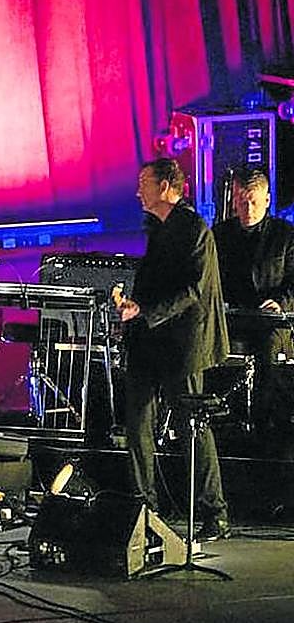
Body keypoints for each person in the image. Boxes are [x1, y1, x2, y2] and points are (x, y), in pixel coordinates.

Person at [117, 158, 231, 540]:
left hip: (183, 343)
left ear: (167, 187)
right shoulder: (157, 228)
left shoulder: (195, 229)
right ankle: (142, 506)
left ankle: (215, 511)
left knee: (191, 427)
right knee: (137, 425)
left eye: (144, 183)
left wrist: (145, 310)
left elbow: (192, 291)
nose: (138, 191)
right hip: (150, 340)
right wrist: (133, 306)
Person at [212, 168, 294, 448]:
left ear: (267, 200)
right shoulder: (220, 235)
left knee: (269, 350)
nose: (247, 208)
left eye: (254, 202)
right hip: (232, 317)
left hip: (271, 322)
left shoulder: (284, 235)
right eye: (242, 200)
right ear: (234, 200)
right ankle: (220, 419)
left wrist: (280, 302)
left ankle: (266, 424)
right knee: (213, 346)